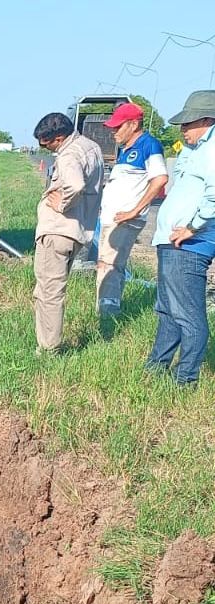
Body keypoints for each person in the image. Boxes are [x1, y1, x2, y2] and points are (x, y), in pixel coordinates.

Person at [146, 90, 215, 387]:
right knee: (168, 310)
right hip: (173, 242)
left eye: (188, 123)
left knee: (188, 315)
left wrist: (192, 226)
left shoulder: (212, 149)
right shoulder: (196, 149)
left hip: (189, 243)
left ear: (207, 119)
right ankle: (156, 369)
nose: (182, 129)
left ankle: (185, 380)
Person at [31, 112, 104, 353]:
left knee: (48, 292)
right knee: (53, 288)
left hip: (58, 230)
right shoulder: (91, 147)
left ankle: (49, 349)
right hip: (77, 230)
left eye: (47, 143)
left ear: (60, 137)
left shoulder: (69, 154)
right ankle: (49, 344)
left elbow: (76, 185)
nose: (46, 149)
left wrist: (60, 203)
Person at [96, 102, 168, 318]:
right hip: (112, 219)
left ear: (134, 124)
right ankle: (104, 310)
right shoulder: (126, 149)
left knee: (110, 265)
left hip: (125, 220)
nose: (113, 132)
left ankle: (108, 314)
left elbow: (160, 179)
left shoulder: (149, 145)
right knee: (105, 263)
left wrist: (134, 211)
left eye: (118, 127)